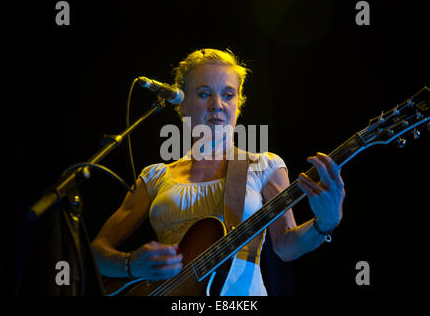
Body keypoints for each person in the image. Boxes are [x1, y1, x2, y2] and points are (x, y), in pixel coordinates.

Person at [91, 48, 345, 296]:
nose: (217, 104)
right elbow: (95, 252)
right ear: (183, 105)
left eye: (228, 94)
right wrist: (129, 263)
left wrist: (324, 223)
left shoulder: (263, 165)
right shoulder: (155, 176)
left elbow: (285, 247)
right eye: (204, 94)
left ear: (239, 104)